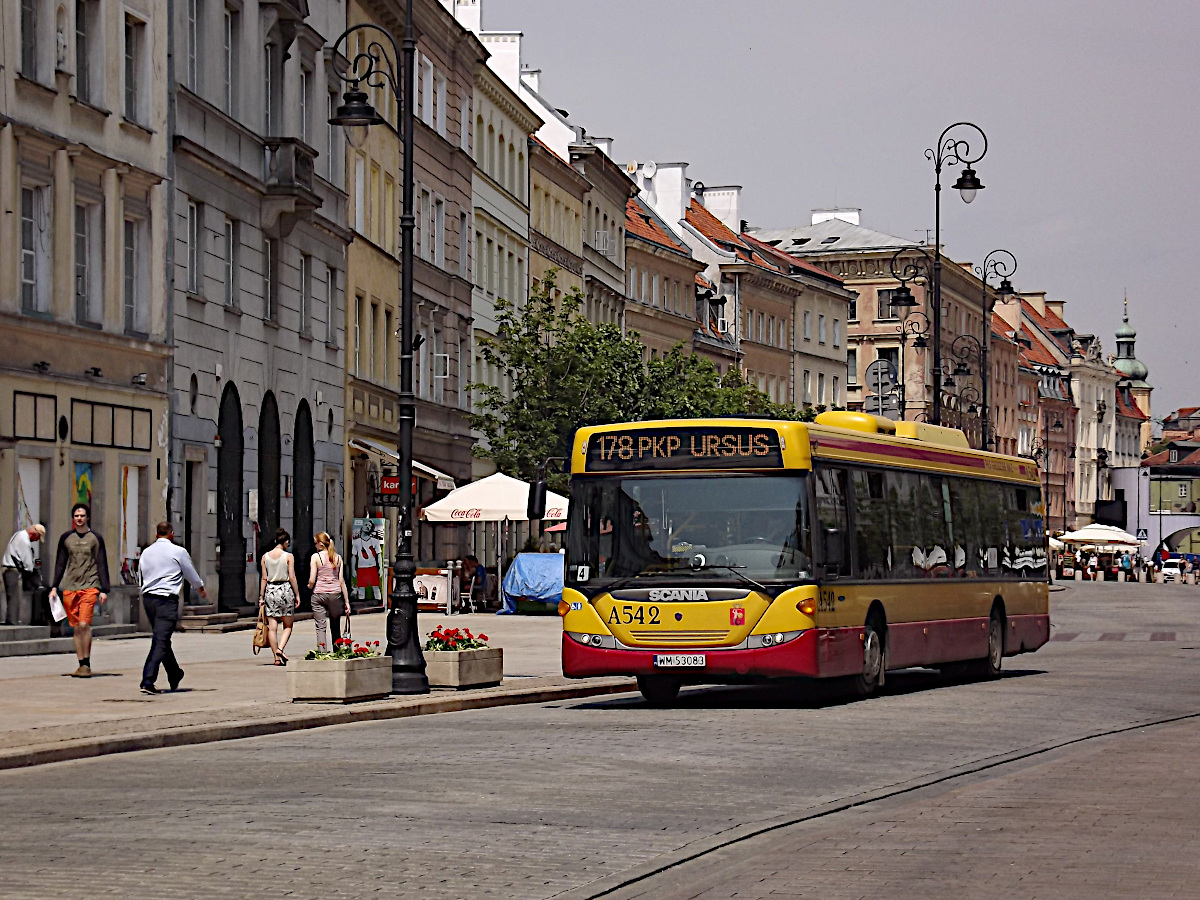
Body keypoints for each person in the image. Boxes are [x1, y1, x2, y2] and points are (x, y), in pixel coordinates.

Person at [137, 522, 206, 694]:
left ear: (156, 534)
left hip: (148, 599)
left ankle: (174, 673)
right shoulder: (178, 551)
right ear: (171, 534)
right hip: (166, 601)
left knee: (162, 637)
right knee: (160, 640)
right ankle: (148, 680)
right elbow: (190, 572)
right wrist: (200, 588)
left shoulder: (147, 552)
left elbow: (140, 574)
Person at [48, 504, 110, 678]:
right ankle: (81, 663)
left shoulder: (95, 538)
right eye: (76, 516)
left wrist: (104, 589)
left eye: (82, 515)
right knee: (76, 627)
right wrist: (54, 586)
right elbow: (60, 563)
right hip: (70, 587)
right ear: (73, 518)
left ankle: (87, 663)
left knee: (84, 624)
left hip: (90, 586)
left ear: (87, 517)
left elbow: (101, 562)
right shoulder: (66, 538)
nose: (79, 518)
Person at [259, 528, 300, 665]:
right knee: (288, 625)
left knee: (272, 626)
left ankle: (276, 658)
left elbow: (264, 578)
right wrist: (297, 594)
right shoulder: (288, 556)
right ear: (286, 542)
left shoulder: (265, 557)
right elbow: (292, 577)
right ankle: (280, 649)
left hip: (270, 590)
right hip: (285, 590)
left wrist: (261, 597)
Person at [308, 532, 350, 651]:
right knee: (335, 625)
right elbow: (341, 581)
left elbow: (312, 580)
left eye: (316, 543)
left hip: (319, 594)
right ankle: (337, 651)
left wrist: (309, 586)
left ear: (321, 544)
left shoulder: (316, 557)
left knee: (320, 626)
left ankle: (322, 653)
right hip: (335, 595)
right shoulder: (338, 558)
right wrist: (346, 602)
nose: (315, 546)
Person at [2, 524, 45, 626]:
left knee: (12, 596)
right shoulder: (25, 541)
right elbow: (28, 564)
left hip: (7, 569)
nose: (36, 540)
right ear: (34, 533)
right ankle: (13, 622)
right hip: (13, 570)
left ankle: (12, 620)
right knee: (15, 598)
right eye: (37, 537)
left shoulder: (18, 534)